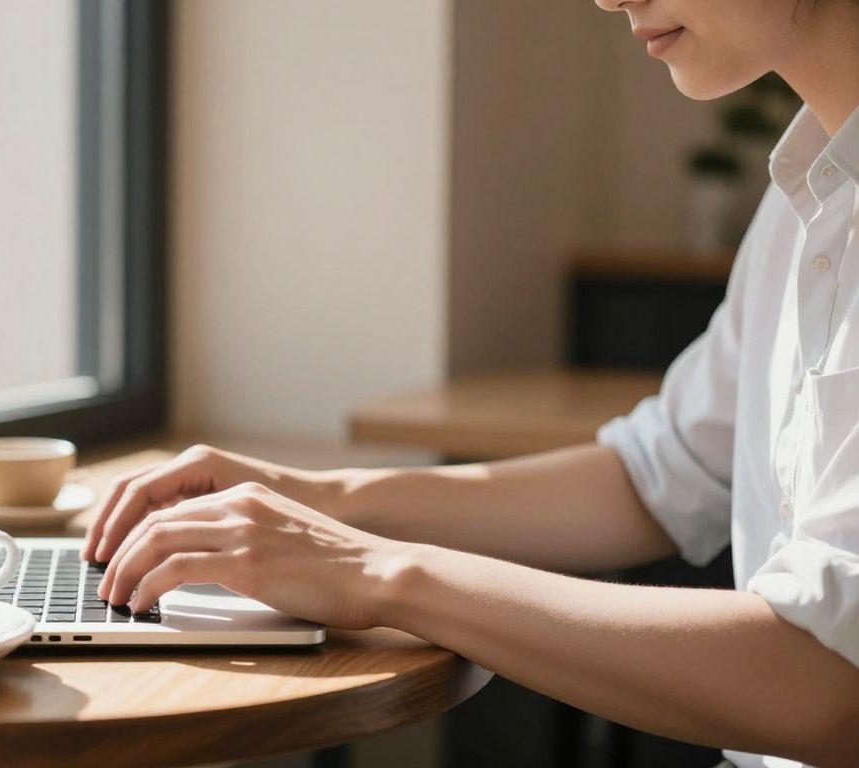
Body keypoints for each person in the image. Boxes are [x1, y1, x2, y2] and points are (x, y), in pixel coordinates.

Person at [83, 1, 859, 766]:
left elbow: (828, 683)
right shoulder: (807, 196)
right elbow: (657, 476)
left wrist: (374, 573)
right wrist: (323, 503)